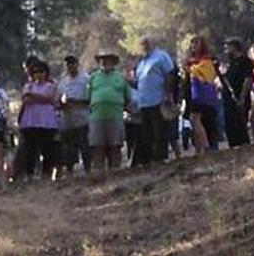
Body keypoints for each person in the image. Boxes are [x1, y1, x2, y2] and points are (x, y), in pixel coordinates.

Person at [86, 50, 133, 175]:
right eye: (102, 59)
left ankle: (115, 172)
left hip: (115, 116)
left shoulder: (120, 78)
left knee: (115, 145)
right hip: (96, 117)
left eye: (107, 59)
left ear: (113, 62)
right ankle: (99, 173)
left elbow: (128, 97)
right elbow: (87, 98)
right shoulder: (92, 78)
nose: (104, 61)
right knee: (97, 146)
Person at [132, 36, 176, 166]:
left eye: (146, 43)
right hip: (143, 102)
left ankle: (160, 159)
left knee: (159, 131)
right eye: (142, 44)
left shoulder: (161, 56)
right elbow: (140, 82)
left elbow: (169, 74)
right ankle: (148, 160)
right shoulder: (141, 63)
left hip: (158, 99)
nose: (144, 46)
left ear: (153, 43)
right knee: (146, 133)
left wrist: (168, 94)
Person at [19, 60, 59, 181]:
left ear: (46, 73)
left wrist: (33, 96)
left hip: (47, 122)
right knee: (30, 149)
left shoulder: (50, 85)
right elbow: (26, 100)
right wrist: (40, 99)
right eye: (35, 72)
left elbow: (49, 97)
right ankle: (30, 174)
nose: (38, 74)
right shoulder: (28, 86)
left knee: (47, 149)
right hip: (30, 121)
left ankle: (46, 174)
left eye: (41, 71)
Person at [183, 35, 219, 155]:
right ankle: (199, 150)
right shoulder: (190, 61)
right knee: (193, 121)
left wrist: (189, 68)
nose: (193, 46)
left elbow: (205, 76)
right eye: (192, 43)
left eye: (196, 43)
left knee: (196, 119)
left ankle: (207, 146)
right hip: (192, 94)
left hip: (203, 94)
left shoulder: (207, 60)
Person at [57, 54, 89, 176]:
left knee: (85, 147)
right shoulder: (63, 82)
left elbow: (90, 99)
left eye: (72, 63)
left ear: (77, 64)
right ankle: (70, 174)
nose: (70, 66)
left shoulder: (86, 79)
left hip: (83, 118)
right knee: (69, 150)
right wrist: (62, 104)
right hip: (67, 120)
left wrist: (75, 101)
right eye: (68, 64)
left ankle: (88, 171)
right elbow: (58, 100)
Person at [220, 38, 252, 147]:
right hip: (228, 99)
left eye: (228, 47)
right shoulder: (230, 63)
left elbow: (248, 79)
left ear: (234, 47)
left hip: (239, 97)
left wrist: (242, 96)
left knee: (240, 124)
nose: (226, 50)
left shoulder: (245, 61)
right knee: (230, 125)